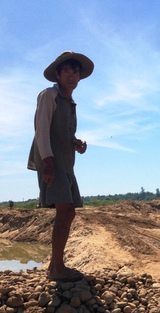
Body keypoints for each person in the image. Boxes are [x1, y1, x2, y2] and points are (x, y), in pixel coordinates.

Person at [27, 51, 94, 282]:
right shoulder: (49, 95)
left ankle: (56, 266)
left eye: (75, 71)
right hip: (52, 162)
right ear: (58, 74)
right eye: (67, 70)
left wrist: (75, 142)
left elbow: (63, 131)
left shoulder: (69, 101)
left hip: (65, 163)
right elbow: (41, 130)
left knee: (69, 211)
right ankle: (56, 268)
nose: (72, 75)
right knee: (65, 211)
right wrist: (47, 162)